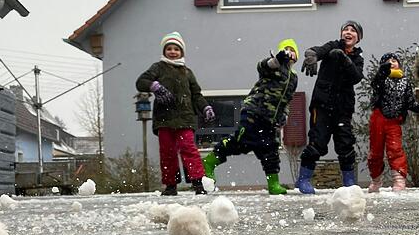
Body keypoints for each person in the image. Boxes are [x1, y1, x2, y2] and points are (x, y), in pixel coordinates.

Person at [201, 39, 299, 195]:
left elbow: (287, 100)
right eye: (286, 49)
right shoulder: (273, 67)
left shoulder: (293, 78)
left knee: (271, 149)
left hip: (270, 121)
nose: (289, 52)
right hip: (254, 112)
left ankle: (273, 184)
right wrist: (277, 59)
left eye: (292, 50)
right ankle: (210, 161)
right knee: (241, 141)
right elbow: (263, 66)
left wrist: (284, 115)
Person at [136, 31, 215, 196]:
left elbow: (196, 95)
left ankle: (197, 181)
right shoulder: (158, 67)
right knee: (167, 152)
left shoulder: (187, 72)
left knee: (189, 149)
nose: (172, 52)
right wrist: (154, 86)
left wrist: (205, 107)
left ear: (182, 52)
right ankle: (170, 184)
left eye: (176, 49)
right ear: (164, 51)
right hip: (164, 120)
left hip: (186, 118)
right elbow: (141, 82)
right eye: (169, 49)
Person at [296, 20, 365, 194]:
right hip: (322, 106)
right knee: (317, 142)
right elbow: (318, 50)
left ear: (358, 38)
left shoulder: (358, 57)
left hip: (343, 109)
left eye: (353, 31)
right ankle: (303, 179)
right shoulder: (332, 46)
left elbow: (356, 77)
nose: (348, 32)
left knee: (345, 144)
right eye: (345, 30)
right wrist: (311, 55)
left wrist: (345, 59)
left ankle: (349, 181)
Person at [367, 52, 419, 192]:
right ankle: (376, 181)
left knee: (395, 150)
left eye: (394, 60)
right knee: (375, 152)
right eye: (387, 61)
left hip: (394, 121)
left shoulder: (405, 82)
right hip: (378, 120)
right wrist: (382, 73)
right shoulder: (381, 79)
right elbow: (375, 85)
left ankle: (399, 180)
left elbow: (410, 102)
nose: (391, 63)